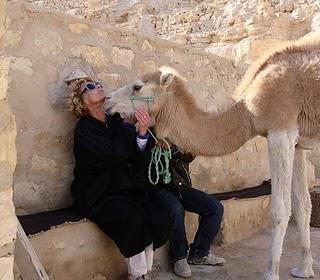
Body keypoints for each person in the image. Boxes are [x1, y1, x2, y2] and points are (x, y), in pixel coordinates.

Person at [68, 79, 170, 280]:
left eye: (96, 83)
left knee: (156, 217)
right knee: (133, 218)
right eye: (88, 87)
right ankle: (137, 274)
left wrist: (141, 133)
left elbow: (134, 157)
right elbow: (111, 155)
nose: (96, 86)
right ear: (82, 102)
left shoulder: (114, 122)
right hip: (97, 193)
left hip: (123, 190)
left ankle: (144, 271)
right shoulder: (85, 129)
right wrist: (127, 128)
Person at [148, 143, 225, 278]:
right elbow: (141, 158)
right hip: (156, 187)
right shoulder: (144, 129)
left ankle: (199, 253)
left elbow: (187, 157)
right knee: (176, 209)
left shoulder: (177, 128)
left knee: (215, 208)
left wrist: (181, 147)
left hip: (179, 185)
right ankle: (179, 257)